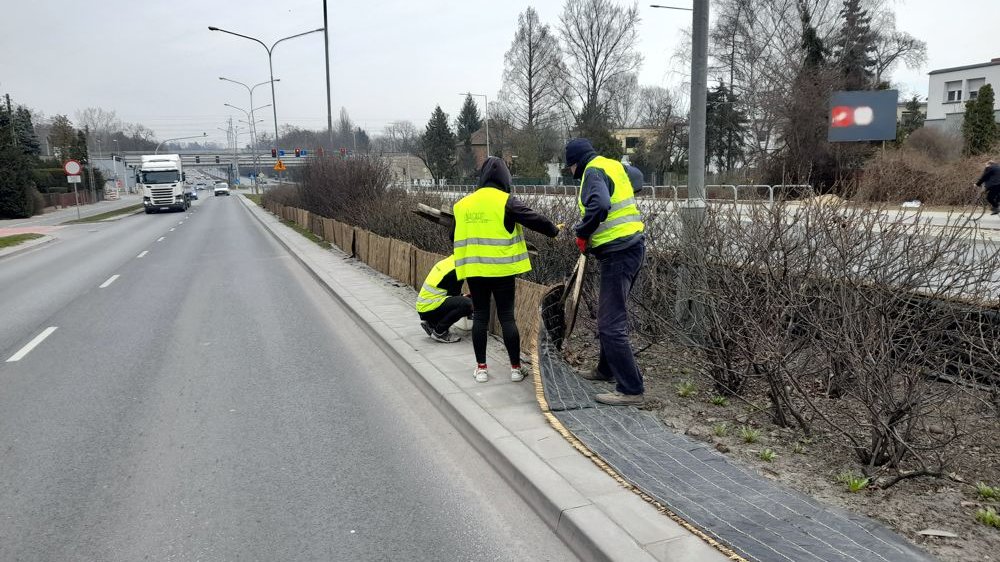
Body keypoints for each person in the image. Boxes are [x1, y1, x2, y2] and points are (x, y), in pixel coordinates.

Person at [453, 157, 560, 383]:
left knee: (480, 316)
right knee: (507, 318)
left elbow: (453, 236)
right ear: (505, 178)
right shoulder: (506, 201)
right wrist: (553, 230)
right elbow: (533, 219)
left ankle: (481, 369)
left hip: (474, 270)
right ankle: (515, 369)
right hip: (502, 271)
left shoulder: (462, 205)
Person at [565, 138, 646, 407]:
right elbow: (638, 179)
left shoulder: (591, 171)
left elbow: (599, 205)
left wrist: (582, 231)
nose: (572, 174)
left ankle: (631, 388)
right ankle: (605, 369)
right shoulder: (612, 164)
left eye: (570, 168)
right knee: (608, 314)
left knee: (611, 324)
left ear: (575, 164)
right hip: (631, 247)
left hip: (619, 252)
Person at [416, 254, 473, 343]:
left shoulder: (449, 263)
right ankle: (440, 332)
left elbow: (447, 292)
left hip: (425, 306)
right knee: (467, 305)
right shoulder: (455, 272)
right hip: (429, 307)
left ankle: (432, 324)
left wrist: (461, 296)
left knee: (464, 301)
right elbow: (455, 297)